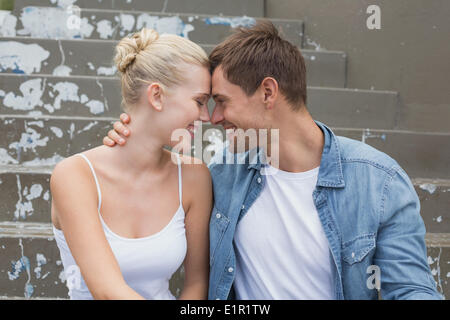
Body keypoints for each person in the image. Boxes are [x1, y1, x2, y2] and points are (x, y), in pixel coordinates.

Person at [103, 22, 442, 300]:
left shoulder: (378, 182)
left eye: (221, 101)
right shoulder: (223, 173)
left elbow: (412, 291)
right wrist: (130, 138)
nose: (213, 118)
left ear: (267, 92)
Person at [50, 28, 212, 300]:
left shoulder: (195, 176)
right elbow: (107, 291)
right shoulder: (75, 176)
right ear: (157, 96)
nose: (206, 116)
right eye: (199, 101)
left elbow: (196, 285)